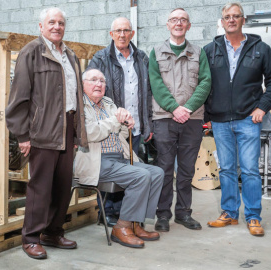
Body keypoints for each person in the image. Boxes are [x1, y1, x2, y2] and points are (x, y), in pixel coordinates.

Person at [6, 7, 87, 259]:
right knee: (40, 187)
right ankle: (31, 237)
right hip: (42, 130)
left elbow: (76, 97)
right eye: (51, 22)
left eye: (61, 23)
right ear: (41, 27)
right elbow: (19, 97)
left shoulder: (70, 54)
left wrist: (76, 134)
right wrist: (22, 135)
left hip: (67, 128)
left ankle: (53, 231)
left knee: (63, 186)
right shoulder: (32, 52)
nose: (56, 27)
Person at [204, 2, 271, 236]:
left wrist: (262, 108)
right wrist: (207, 114)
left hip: (249, 119)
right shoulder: (210, 50)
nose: (232, 20)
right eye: (227, 17)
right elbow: (202, 84)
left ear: (243, 20)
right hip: (220, 120)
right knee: (226, 169)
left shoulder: (260, 48)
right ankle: (230, 213)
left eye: (236, 16)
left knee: (249, 171)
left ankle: (254, 216)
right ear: (222, 21)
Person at [74, 69, 163, 248]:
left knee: (156, 172)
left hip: (118, 157)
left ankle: (135, 224)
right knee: (140, 176)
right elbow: (89, 133)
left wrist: (127, 123)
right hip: (96, 161)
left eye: (102, 81)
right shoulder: (79, 107)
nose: (99, 84)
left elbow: (120, 133)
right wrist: (115, 121)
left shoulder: (108, 103)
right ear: (83, 85)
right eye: (93, 80)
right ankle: (121, 227)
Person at [149, 8, 211, 232]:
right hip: (165, 118)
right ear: (168, 25)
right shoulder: (156, 52)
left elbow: (205, 83)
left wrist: (188, 108)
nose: (178, 23)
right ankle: (163, 215)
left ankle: (184, 214)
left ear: (189, 26)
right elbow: (156, 84)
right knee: (164, 169)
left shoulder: (198, 52)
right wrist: (175, 108)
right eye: (174, 20)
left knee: (186, 170)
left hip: (192, 119)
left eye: (183, 20)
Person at [87, 17, 153, 226]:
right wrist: (113, 117)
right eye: (118, 31)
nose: (122, 35)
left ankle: (127, 216)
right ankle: (107, 214)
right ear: (111, 34)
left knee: (129, 171)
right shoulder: (101, 57)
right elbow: (91, 84)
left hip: (135, 127)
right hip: (110, 124)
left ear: (132, 33)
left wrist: (147, 123)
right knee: (110, 165)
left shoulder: (141, 58)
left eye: (126, 31)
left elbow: (148, 92)